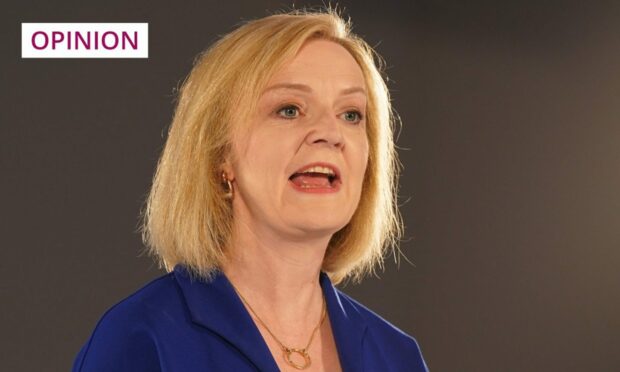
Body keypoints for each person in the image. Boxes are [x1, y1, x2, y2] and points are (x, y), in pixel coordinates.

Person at [72, 8, 428, 372]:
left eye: (351, 114)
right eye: (289, 109)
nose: (330, 134)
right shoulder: (140, 337)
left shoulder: (398, 356)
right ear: (220, 153)